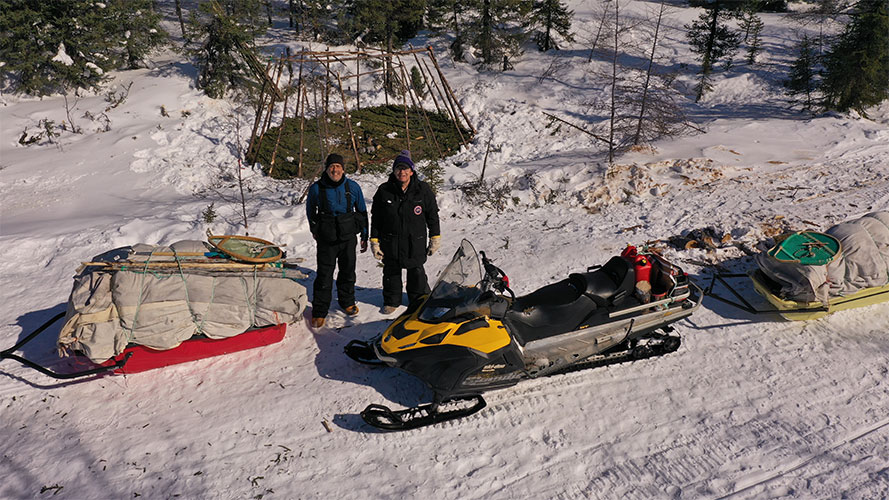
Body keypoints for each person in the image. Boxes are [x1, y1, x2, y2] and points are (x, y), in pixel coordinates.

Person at [370, 151, 441, 314]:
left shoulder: (422, 189)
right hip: (390, 241)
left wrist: (435, 237)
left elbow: (432, 215)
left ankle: (418, 300)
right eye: (398, 168)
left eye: (405, 168)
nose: (402, 172)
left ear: (412, 171)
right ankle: (391, 300)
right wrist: (374, 240)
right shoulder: (384, 190)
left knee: (416, 271)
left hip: (414, 240)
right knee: (391, 271)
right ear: (394, 171)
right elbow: (376, 218)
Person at [306, 153, 369, 328]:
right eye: (332, 166)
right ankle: (319, 311)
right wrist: (315, 230)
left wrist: (364, 235)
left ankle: (347, 301)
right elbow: (311, 211)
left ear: (343, 169)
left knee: (348, 271)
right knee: (325, 274)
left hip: (348, 236)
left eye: (338, 166)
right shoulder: (317, 188)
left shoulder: (353, 187)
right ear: (326, 169)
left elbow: (362, 212)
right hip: (327, 237)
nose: (335, 170)